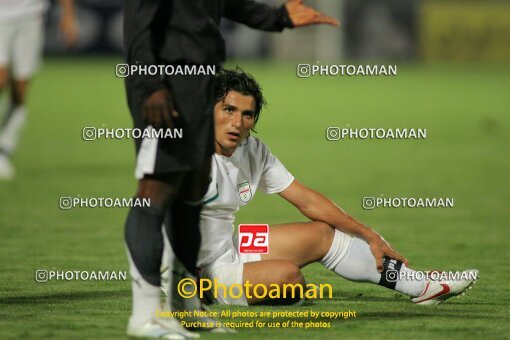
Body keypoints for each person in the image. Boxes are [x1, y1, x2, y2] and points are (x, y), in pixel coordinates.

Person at [122, 1, 339, 338]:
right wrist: (152, 86)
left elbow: (227, 3)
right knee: (155, 191)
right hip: (165, 86)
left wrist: (277, 17)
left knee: (191, 200)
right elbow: (137, 25)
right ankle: (145, 314)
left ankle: (186, 308)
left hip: (201, 84)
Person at [183, 68, 478, 307]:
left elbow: (306, 200)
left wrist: (368, 233)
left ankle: (422, 285)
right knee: (288, 279)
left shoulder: (252, 149)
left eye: (247, 114)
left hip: (230, 246)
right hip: (199, 270)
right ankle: (206, 293)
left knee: (322, 233)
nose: (237, 122)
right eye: (228, 110)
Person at [0, 0, 77, 179]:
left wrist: (68, 16)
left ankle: (4, 150)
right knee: (1, 79)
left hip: (31, 16)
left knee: (20, 90)